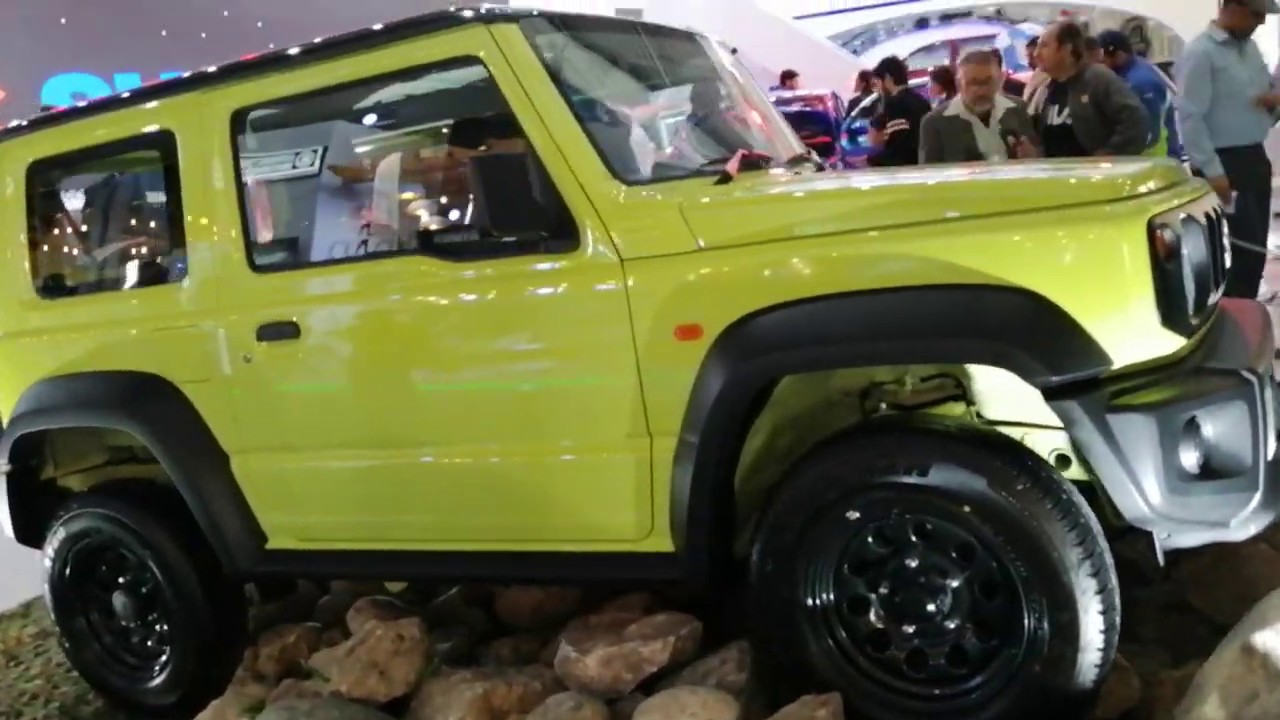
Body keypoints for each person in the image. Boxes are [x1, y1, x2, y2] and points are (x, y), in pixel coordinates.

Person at [1176, 0, 1280, 300]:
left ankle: (1248, 314)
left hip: (1252, 158)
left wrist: (1271, 105)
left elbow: (1258, 102)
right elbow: (1190, 117)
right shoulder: (1200, 53)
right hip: (1224, 164)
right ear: (1232, 7)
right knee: (1235, 251)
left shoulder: (1249, 50)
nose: (1260, 23)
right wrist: (1212, 171)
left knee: (1255, 248)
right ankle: (1233, 319)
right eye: (1256, 14)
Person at [1030, 21, 1150, 157]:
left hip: (1093, 176)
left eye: (1044, 46)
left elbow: (1135, 119)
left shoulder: (1098, 79)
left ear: (1066, 49)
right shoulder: (1045, 88)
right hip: (1057, 175)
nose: (1036, 54)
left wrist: (1108, 154)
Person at [920, 50, 1039, 164]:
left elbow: (1038, 156)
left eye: (987, 82)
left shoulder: (1017, 108)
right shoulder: (935, 122)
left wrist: (1032, 156)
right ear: (959, 84)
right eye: (973, 83)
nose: (981, 91)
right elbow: (930, 175)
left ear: (999, 81)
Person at [1096, 30, 1180, 159]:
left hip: (1156, 161)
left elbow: (1148, 134)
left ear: (1118, 55)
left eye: (1102, 60)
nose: (1099, 65)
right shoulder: (1128, 72)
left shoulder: (1140, 83)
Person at [866, 55, 933, 166]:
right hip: (923, 164)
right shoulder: (921, 101)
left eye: (880, 81)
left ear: (887, 77)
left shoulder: (895, 104)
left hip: (906, 169)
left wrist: (871, 160)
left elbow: (898, 148)